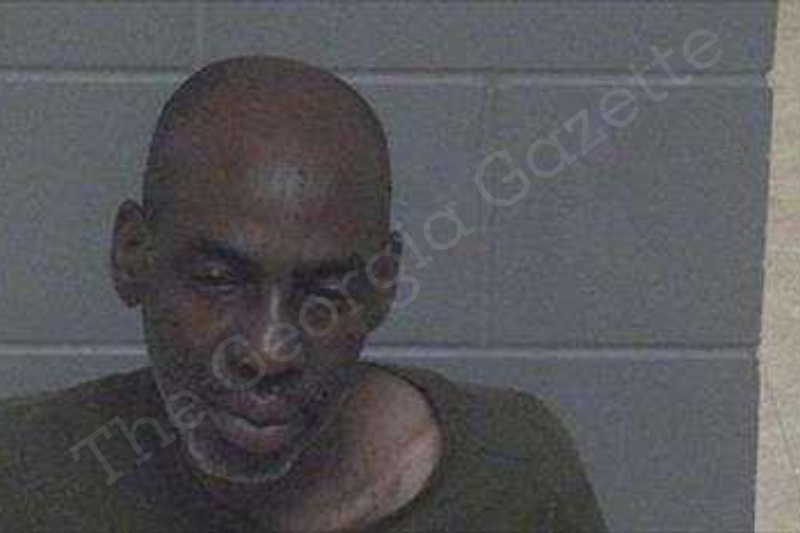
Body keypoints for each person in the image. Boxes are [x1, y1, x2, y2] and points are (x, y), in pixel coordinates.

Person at [0, 55, 608, 532]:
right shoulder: (24, 475)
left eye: (327, 292)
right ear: (133, 254)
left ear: (383, 285)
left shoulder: (513, 477)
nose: (269, 351)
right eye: (218, 280)